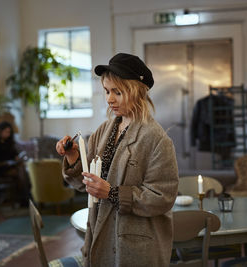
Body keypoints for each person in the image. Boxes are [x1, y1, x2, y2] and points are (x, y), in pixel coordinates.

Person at [56, 53, 179, 267]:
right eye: (106, 91)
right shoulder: (104, 131)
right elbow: (84, 183)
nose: (109, 99)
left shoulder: (157, 139)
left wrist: (112, 193)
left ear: (137, 92)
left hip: (135, 247)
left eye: (117, 92)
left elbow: (162, 197)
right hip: (101, 237)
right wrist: (74, 157)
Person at [0, 121, 30, 206]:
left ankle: (25, 197)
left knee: (21, 170)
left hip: (10, 166)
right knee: (20, 173)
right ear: (0, 131)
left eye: (9, 132)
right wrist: (7, 161)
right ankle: (25, 198)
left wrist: (18, 157)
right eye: (6, 132)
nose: (8, 134)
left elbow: (14, 154)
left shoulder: (9, 142)